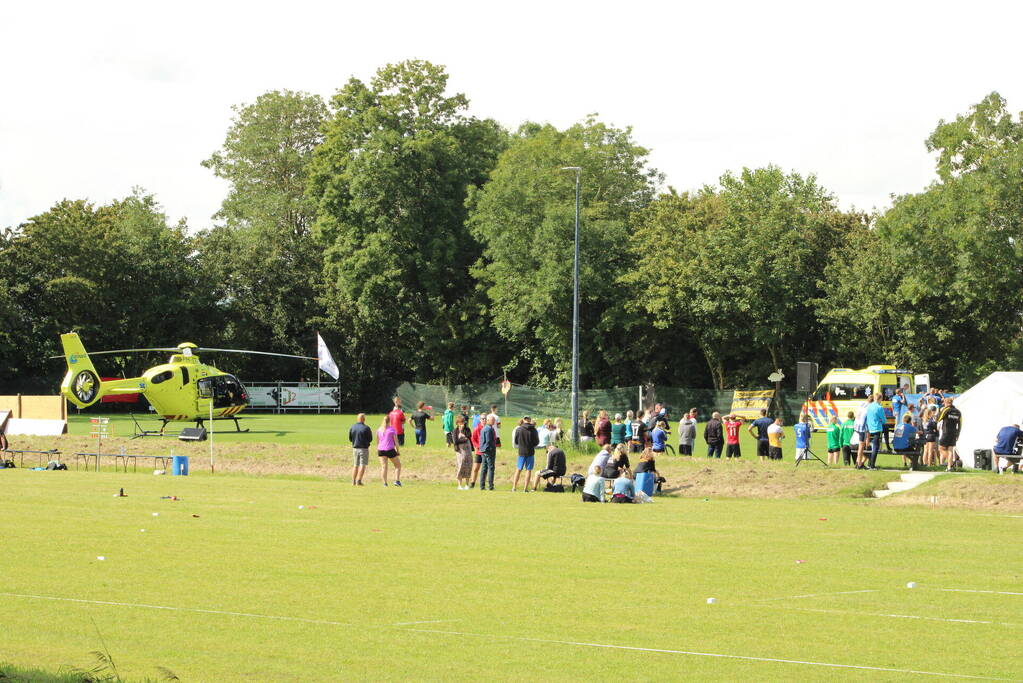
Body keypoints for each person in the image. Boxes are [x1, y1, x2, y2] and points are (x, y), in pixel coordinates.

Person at [512, 416, 540, 492]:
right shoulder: (534, 430)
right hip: (530, 452)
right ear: (530, 420)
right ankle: (525, 488)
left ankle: (514, 487)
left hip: (521, 452)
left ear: (524, 420)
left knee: (518, 469)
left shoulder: (519, 429)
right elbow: (537, 442)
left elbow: (516, 441)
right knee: (528, 470)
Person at [936, 397, 963, 471]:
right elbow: (960, 424)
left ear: (946, 403)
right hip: (954, 433)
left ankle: (950, 463)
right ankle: (949, 467)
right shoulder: (958, 412)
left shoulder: (946, 409)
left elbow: (937, 419)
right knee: (950, 449)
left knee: (941, 449)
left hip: (946, 432)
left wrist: (941, 411)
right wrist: (958, 434)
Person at [376, 416, 402, 487]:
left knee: (384, 467)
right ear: (389, 421)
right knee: (398, 465)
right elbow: (396, 442)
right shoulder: (392, 429)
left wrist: (377, 449)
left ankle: (385, 483)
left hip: (381, 450)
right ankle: (397, 481)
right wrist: (397, 450)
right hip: (390, 449)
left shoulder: (379, 430)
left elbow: (377, 441)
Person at [348, 413, 373, 485]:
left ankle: (353, 481)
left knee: (355, 465)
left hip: (355, 448)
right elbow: (370, 439)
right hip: (364, 449)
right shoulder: (366, 428)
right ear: (364, 419)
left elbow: (350, 438)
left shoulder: (352, 427)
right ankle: (359, 480)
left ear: (357, 419)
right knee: (362, 464)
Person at [452, 414, 473, 489]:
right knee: (460, 466)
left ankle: (467, 484)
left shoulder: (467, 429)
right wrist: (464, 439)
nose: (463, 423)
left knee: (468, 466)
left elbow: (469, 436)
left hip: (468, 451)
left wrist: (463, 430)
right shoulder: (455, 430)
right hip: (460, 452)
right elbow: (455, 441)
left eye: (464, 422)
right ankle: (459, 485)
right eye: (461, 422)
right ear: (458, 423)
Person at [865, 393, 886, 469]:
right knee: (875, 448)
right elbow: (884, 420)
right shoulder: (879, 407)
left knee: (870, 446)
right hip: (877, 428)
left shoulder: (869, 406)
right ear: (880, 399)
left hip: (869, 428)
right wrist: (881, 420)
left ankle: (869, 463)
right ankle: (872, 465)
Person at [479, 415, 498, 491]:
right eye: (492, 420)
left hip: (483, 450)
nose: (493, 422)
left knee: (484, 468)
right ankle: (490, 486)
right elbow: (489, 441)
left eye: (494, 420)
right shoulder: (489, 429)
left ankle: (482, 486)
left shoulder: (484, 428)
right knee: (491, 468)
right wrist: (491, 450)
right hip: (489, 451)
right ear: (488, 420)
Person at [469, 413, 485, 488]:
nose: (484, 420)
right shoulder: (477, 429)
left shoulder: (489, 428)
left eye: (485, 418)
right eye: (482, 418)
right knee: (475, 468)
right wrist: (477, 446)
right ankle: (472, 483)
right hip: (479, 452)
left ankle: (483, 484)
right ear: (480, 420)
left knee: (485, 469)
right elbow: (473, 439)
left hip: (487, 452)